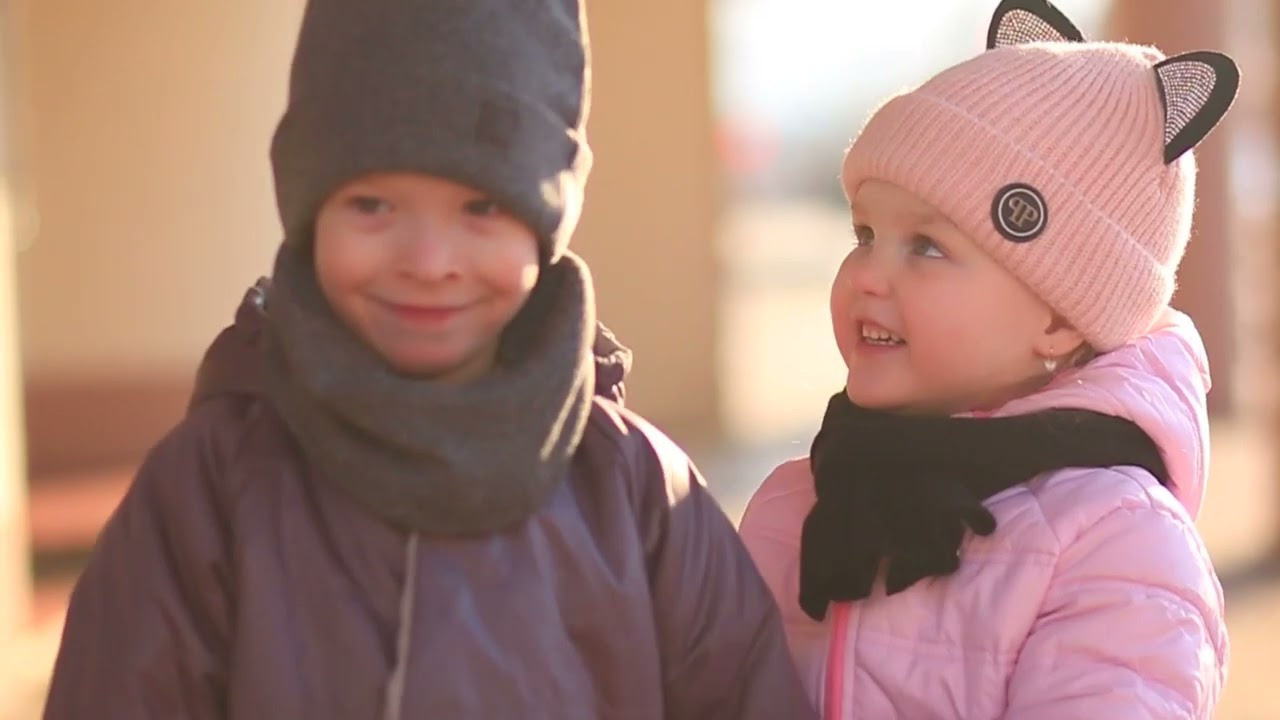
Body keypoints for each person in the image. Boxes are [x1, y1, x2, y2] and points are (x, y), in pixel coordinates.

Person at [43, 1, 815, 717]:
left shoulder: (643, 495)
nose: (428, 259)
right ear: (309, 214)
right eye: (373, 206)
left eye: (482, 207)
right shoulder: (208, 491)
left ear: (545, 226)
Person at [738, 0, 1238, 717]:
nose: (869, 275)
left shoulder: (1114, 543)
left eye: (928, 247)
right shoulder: (795, 506)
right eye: (865, 234)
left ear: (1062, 317)